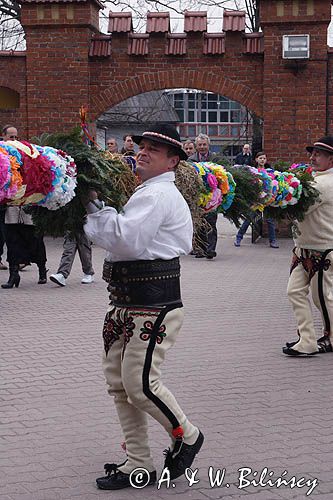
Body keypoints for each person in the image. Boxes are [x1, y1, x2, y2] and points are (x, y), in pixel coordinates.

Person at [84, 123, 203, 490]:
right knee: (120, 385)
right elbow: (124, 238)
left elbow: (126, 240)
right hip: (127, 303)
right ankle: (138, 461)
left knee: (139, 385)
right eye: (142, 145)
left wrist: (90, 204)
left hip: (153, 305)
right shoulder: (146, 192)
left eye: (154, 149)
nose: (143, 151)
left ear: (172, 162)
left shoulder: (157, 195)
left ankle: (188, 434)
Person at [283, 136, 333, 356]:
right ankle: (308, 340)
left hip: (323, 249)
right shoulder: (314, 179)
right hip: (304, 247)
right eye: (312, 153)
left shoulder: (325, 183)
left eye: (318, 154)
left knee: (322, 297)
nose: (312, 157)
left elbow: (300, 208)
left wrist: (277, 197)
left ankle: (330, 338)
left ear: (331, 159)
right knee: (295, 292)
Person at [1, 125, 48, 289]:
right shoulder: (2, 155)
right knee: (12, 242)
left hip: (27, 204)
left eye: (15, 137)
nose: (14, 140)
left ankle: (42, 270)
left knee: (34, 240)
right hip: (10, 207)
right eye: (10, 137)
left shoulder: (25, 153)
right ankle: (14, 275)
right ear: (4, 137)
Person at [234, 152, 279, 249]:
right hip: (256, 199)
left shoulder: (269, 172)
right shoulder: (253, 171)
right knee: (249, 218)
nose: (262, 160)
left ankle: (273, 240)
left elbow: (274, 184)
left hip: (267, 199)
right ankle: (239, 237)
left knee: (270, 220)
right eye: (260, 158)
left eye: (264, 158)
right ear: (256, 159)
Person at [189, 134, 218, 259]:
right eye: (200, 145)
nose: (202, 147)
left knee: (211, 222)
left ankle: (210, 250)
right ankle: (200, 249)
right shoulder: (191, 160)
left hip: (212, 196)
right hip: (197, 196)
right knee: (199, 223)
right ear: (196, 146)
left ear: (208, 145)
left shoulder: (215, 159)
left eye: (204, 144)